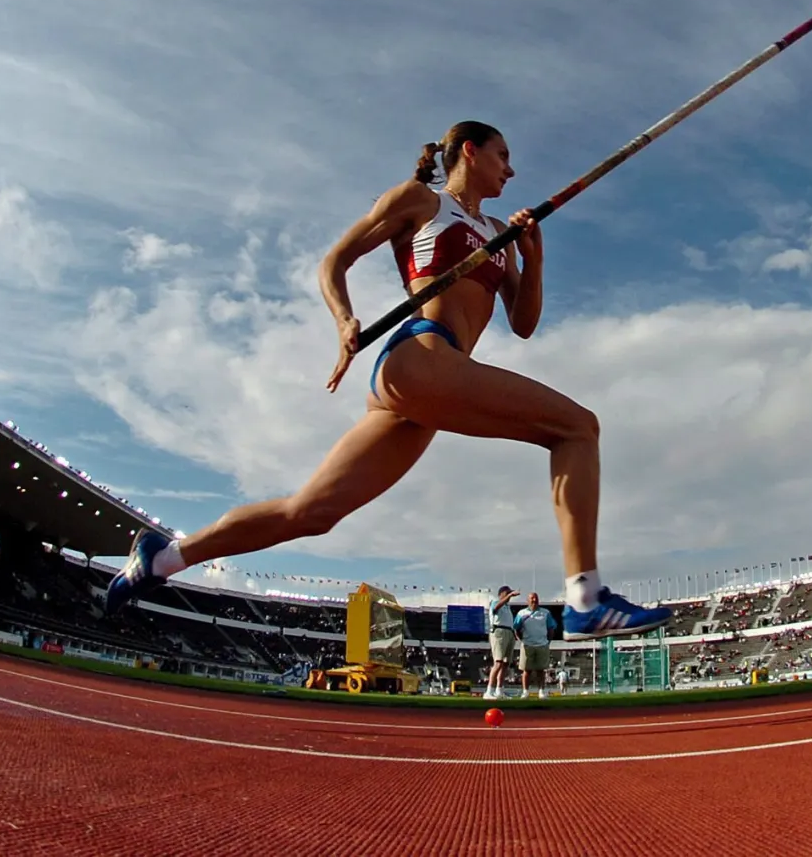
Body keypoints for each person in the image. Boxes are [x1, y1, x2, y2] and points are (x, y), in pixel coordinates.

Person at [106, 122, 672, 640]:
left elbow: (523, 324)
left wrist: (533, 259)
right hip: (421, 355)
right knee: (576, 428)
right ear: (469, 152)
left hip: (426, 385)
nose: (512, 169)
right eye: (504, 156)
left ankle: (164, 557)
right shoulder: (420, 201)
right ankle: (584, 599)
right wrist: (345, 319)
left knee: (311, 513)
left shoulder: (499, 230)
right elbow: (334, 260)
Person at [513, 591, 558, 700]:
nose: (534, 600)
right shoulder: (521, 613)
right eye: (532, 598)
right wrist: (521, 640)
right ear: (527, 601)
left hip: (542, 645)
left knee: (541, 670)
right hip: (527, 645)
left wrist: (548, 641)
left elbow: (551, 627)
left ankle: (541, 692)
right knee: (526, 670)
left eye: (536, 598)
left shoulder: (545, 613)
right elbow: (516, 628)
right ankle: (525, 692)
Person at [484, 585, 519, 701]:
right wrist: (509, 595)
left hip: (509, 632)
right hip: (498, 631)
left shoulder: (508, 607)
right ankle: (489, 691)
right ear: (501, 594)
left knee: (505, 664)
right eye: (507, 593)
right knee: (498, 662)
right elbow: (495, 609)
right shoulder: (495, 602)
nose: (509, 596)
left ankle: (499, 690)